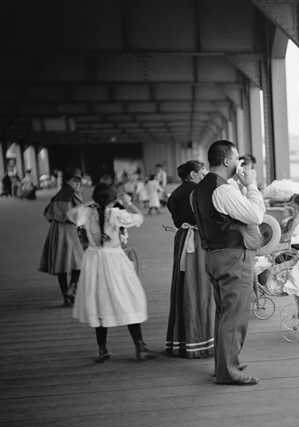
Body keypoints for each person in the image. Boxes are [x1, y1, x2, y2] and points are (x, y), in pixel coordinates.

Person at [191, 140, 264, 386]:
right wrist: (252, 185)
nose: (238, 163)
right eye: (236, 159)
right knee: (235, 315)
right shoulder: (223, 189)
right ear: (226, 161)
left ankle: (224, 363)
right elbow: (255, 215)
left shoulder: (200, 189)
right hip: (233, 257)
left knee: (224, 313)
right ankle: (228, 371)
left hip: (213, 255)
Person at [67, 184, 154, 362]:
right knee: (129, 299)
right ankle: (139, 345)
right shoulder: (115, 214)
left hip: (93, 260)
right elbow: (139, 218)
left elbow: (71, 215)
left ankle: (102, 349)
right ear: (113, 199)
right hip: (114, 260)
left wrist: (92, 202)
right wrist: (127, 203)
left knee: (98, 303)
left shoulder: (87, 213)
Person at [165, 160, 215, 359]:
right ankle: (201, 341)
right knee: (200, 289)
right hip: (198, 241)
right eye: (202, 171)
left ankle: (181, 341)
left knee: (183, 288)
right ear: (193, 174)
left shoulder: (175, 194)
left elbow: (178, 220)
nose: (204, 174)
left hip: (182, 240)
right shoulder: (199, 192)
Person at [38, 174, 84, 305]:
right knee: (79, 262)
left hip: (56, 231)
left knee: (60, 265)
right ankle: (72, 287)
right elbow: (81, 214)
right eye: (77, 184)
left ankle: (66, 296)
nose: (78, 186)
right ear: (72, 182)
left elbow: (47, 214)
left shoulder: (57, 195)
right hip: (70, 231)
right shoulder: (74, 194)